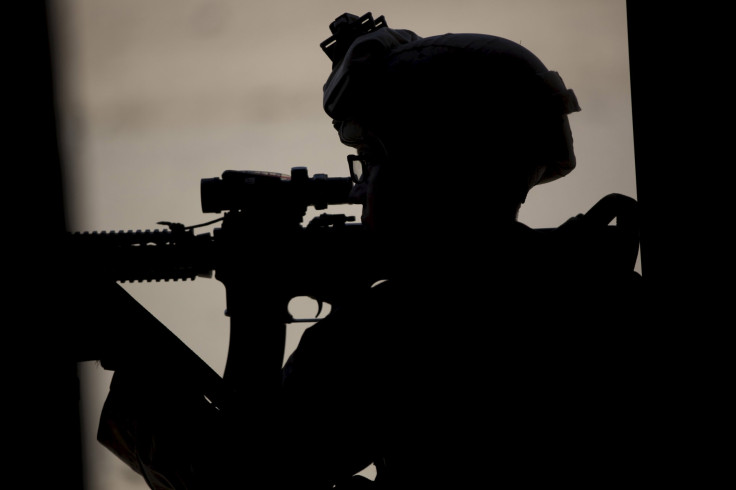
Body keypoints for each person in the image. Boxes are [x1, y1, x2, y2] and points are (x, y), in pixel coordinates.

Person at [89, 13, 644, 489]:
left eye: (373, 162)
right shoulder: (599, 285)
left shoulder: (392, 334)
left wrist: (251, 311)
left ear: (430, 175)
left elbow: (243, 481)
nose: (359, 188)